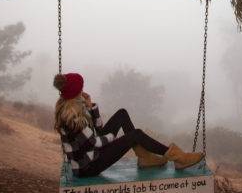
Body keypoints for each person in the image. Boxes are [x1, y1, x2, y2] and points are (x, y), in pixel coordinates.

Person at [53, 72, 204, 177]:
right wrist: (113, 137)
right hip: (88, 167)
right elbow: (96, 143)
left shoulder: (75, 108)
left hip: (92, 154)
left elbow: (98, 129)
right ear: (76, 92)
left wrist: (91, 106)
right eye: (81, 89)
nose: (83, 91)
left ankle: (145, 157)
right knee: (135, 135)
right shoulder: (72, 119)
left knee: (122, 114)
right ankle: (178, 157)